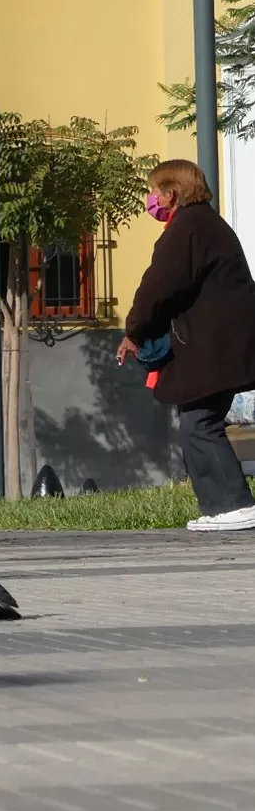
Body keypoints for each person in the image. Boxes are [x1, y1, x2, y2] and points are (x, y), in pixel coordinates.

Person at [118, 159, 255, 532]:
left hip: (213, 346)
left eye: (154, 192)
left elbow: (158, 285)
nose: (151, 200)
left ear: (171, 193)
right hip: (225, 343)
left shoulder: (187, 228)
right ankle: (222, 507)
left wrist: (135, 330)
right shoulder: (208, 224)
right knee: (198, 422)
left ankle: (233, 506)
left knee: (199, 423)